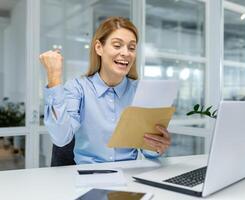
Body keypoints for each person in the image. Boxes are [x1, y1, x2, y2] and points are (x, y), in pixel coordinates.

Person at [39, 16, 171, 164]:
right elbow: (61, 138)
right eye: (117, 45)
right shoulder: (77, 88)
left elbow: (148, 152)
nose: (126, 53)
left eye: (131, 47)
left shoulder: (140, 91)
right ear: (99, 48)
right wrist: (54, 77)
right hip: (88, 176)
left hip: (128, 177)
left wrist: (157, 146)